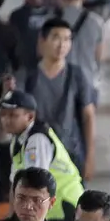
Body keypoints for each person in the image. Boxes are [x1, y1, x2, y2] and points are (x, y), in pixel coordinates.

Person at [22, 18, 98, 178]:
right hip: (37, 153)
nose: (62, 44)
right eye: (56, 37)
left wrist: (90, 156)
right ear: (43, 41)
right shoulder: (29, 76)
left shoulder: (76, 75)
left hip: (71, 152)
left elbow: (88, 116)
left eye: (67, 39)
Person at [0, 90, 84, 221]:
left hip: (64, 206)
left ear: (30, 117)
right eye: (3, 115)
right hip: (49, 209)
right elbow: (15, 182)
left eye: (13, 115)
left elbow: (36, 184)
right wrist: (11, 216)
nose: (6, 120)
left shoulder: (37, 139)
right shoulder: (17, 141)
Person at [54, 0, 108, 103]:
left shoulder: (53, 21)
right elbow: (100, 55)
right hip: (89, 81)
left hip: (60, 82)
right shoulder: (97, 22)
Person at [8, 0, 53, 81]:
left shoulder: (17, 16)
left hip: (24, 70)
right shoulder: (54, 14)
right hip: (50, 68)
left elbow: (11, 44)